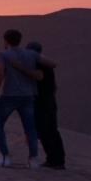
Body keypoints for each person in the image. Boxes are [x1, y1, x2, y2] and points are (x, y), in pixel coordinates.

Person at [0, 29, 40, 168]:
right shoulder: (31, 54)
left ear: (5, 40)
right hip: (28, 96)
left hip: (10, 95)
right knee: (30, 129)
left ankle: (5, 157)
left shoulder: (3, 54)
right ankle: (33, 160)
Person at [24, 41, 65, 169]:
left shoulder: (39, 65)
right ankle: (57, 160)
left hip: (42, 103)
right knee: (50, 131)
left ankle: (55, 161)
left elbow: (39, 78)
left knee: (46, 131)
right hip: (49, 102)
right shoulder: (45, 65)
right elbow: (54, 86)